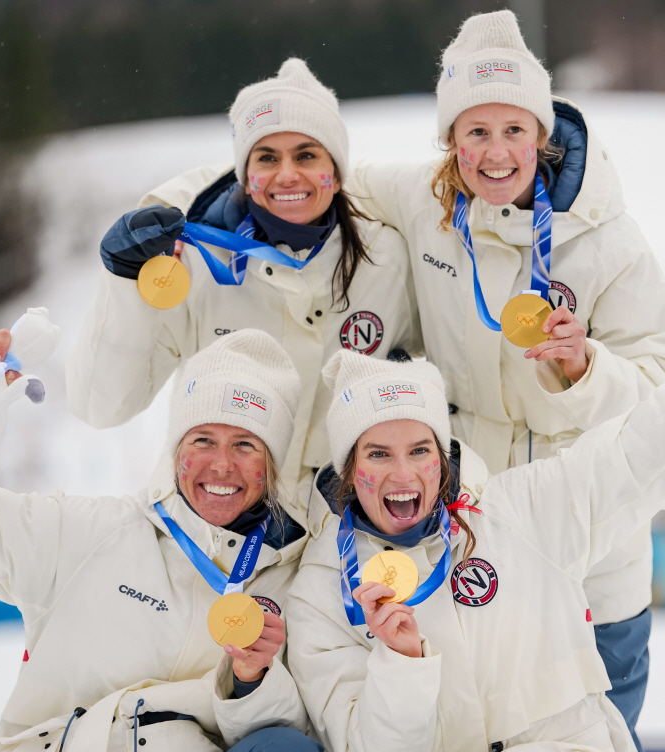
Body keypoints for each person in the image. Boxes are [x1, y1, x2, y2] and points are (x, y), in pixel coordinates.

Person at [286, 263, 665, 752]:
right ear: (347, 469)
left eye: (420, 450)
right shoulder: (321, 593)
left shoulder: (524, 514)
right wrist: (400, 663)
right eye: (378, 454)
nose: (402, 474)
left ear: (444, 459)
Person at [347, 13, 665, 752]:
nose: (494, 153)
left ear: (542, 133)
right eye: (473, 132)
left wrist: (586, 368)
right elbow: (313, 182)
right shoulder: (424, 206)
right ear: (449, 142)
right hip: (473, 550)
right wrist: (203, 211)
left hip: (591, 555)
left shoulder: (605, 236)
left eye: (512, 129)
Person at [0, 328, 331, 752]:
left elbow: (303, 748)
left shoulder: (296, 582)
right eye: (202, 440)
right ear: (175, 451)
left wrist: (252, 682)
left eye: (245, 445)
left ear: (272, 464)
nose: (220, 465)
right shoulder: (91, 533)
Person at [68, 58, 420, 517]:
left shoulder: (387, 260)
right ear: (245, 175)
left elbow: (447, 389)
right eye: (267, 158)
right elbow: (102, 406)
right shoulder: (193, 264)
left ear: (335, 170)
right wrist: (124, 281)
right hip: (210, 528)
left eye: (307, 155)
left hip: (334, 538)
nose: (287, 174)